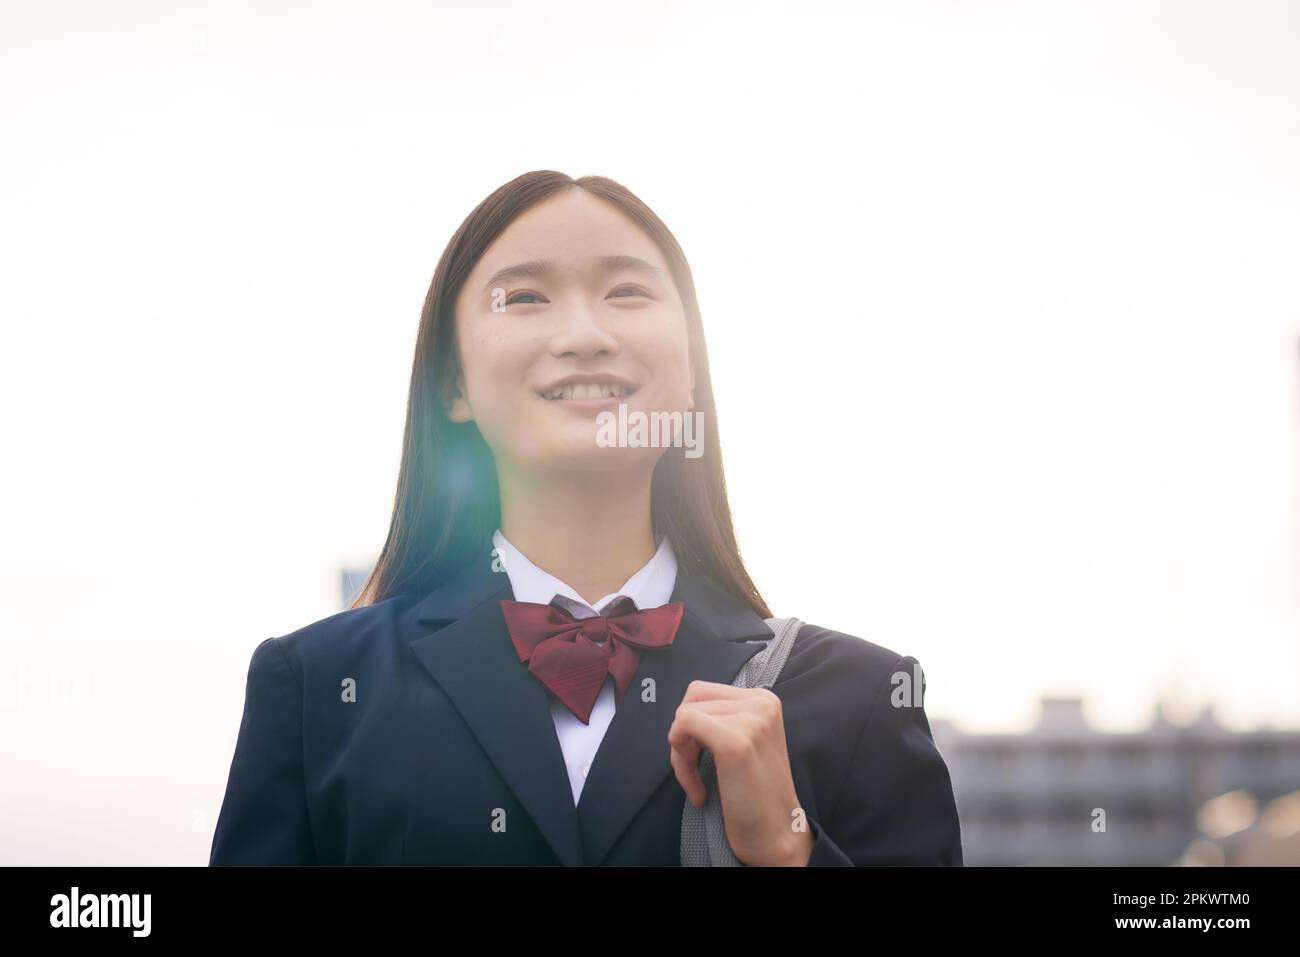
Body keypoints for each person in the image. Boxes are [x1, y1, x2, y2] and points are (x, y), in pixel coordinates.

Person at [208, 170, 964, 866]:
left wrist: (788, 850)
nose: (583, 334)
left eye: (628, 293)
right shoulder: (317, 687)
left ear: (692, 371)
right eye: (526, 298)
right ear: (452, 385)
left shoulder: (861, 695)